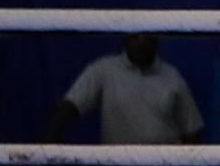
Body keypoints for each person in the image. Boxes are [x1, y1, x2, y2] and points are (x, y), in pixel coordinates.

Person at [44, 34, 203, 145]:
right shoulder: (104, 70)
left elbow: (191, 131)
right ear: (125, 38)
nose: (141, 42)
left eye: (147, 36)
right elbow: (71, 105)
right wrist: (47, 146)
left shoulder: (172, 76)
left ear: (157, 39)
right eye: (135, 36)